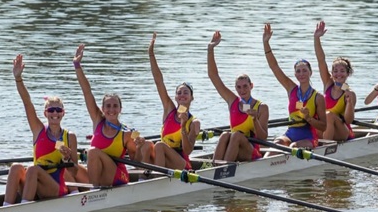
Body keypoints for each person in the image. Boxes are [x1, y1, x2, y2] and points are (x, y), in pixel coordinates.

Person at [4, 54, 89, 205]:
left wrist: (67, 159)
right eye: (51, 110)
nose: (54, 113)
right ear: (45, 114)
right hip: (35, 180)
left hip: (56, 187)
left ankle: (23, 208)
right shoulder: (38, 129)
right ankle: (5, 209)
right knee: (16, 167)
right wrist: (18, 78)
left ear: (63, 113)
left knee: (33, 169)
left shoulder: (70, 137)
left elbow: (74, 172)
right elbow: (27, 102)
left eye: (57, 110)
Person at [73, 43, 139, 186]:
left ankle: (93, 193)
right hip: (99, 174)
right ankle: (74, 193)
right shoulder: (98, 120)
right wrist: (77, 65)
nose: (111, 109)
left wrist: (138, 144)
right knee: (70, 165)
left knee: (93, 152)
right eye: (108, 106)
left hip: (118, 176)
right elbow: (87, 92)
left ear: (120, 109)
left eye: (115, 106)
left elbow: (136, 160)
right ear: (102, 109)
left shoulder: (126, 133)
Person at [135, 32, 201, 170]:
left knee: (159, 145)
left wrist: (183, 127)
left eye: (186, 93)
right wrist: (151, 55)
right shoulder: (169, 109)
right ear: (176, 97)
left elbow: (188, 151)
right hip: (163, 156)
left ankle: (156, 178)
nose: (182, 95)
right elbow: (159, 82)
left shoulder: (194, 122)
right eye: (179, 93)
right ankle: (143, 178)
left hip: (182, 163)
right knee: (147, 144)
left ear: (191, 98)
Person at [263, 23, 326, 152]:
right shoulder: (291, 88)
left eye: (304, 71)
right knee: (277, 143)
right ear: (295, 74)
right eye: (298, 71)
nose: (301, 74)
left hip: (309, 136)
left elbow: (324, 126)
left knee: (293, 147)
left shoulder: (318, 97)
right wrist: (266, 43)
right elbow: (274, 67)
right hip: (291, 132)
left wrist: (308, 118)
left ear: (310, 73)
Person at [207, 30, 269, 162]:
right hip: (235, 148)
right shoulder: (232, 100)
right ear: (235, 88)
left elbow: (263, 138)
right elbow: (213, 76)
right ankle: (214, 167)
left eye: (245, 86)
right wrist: (210, 48)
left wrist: (254, 119)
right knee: (225, 135)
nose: (242, 90)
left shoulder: (262, 107)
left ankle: (223, 170)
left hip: (252, 151)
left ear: (251, 86)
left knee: (235, 136)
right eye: (239, 87)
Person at [314, 20, 356, 141]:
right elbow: (321, 60)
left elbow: (348, 120)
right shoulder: (328, 83)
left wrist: (349, 103)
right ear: (331, 74)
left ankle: (326, 149)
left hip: (343, 132)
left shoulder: (350, 93)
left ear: (348, 74)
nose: (339, 74)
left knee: (328, 116)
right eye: (335, 71)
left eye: (342, 71)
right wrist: (316, 38)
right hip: (326, 127)